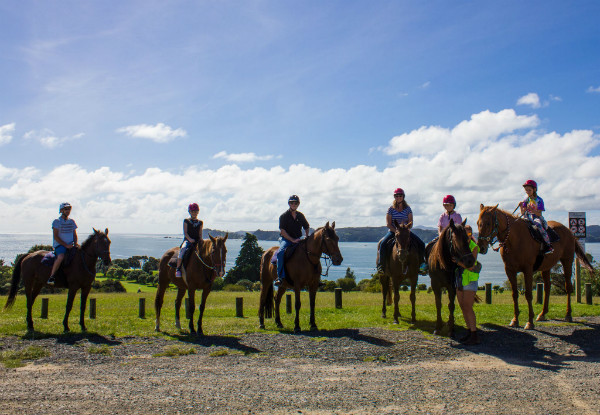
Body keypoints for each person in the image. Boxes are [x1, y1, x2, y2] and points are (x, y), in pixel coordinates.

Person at [377, 188, 426, 273]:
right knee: (383, 244)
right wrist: (396, 231)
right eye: (397, 196)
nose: (398, 197)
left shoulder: (408, 209)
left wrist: (405, 230)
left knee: (421, 243)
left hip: (405, 232)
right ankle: (381, 266)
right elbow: (388, 224)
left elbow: (411, 222)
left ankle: (421, 265)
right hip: (393, 231)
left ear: (403, 197)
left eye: (400, 195)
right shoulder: (391, 209)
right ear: (394, 197)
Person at [275, 195, 309, 286]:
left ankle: (315, 276)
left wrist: (306, 236)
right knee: (280, 253)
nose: (294, 204)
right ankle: (280, 277)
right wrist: (292, 240)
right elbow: (283, 231)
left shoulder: (301, 215)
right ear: (289, 204)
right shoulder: (283, 216)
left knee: (311, 251)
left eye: (296, 203)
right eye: (292, 202)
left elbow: (306, 227)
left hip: (299, 239)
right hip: (286, 239)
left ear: (298, 204)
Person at [456, 224, 481, 345]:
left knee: (467, 306)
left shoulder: (474, 247)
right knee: (463, 306)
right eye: (465, 234)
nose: (467, 236)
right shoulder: (460, 246)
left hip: (470, 279)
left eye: (470, 234)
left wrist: (457, 262)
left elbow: (471, 267)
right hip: (460, 279)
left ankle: (474, 334)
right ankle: (469, 331)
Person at [47, 202, 78, 286]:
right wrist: (66, 245)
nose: (68, 211)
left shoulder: (72, 222)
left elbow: (74, 234)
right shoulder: (56, 222)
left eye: (69, 209)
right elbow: (56, 236)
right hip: (60, 245)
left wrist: (75, 244)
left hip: (71, 245)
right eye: (66, 209)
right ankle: (52, 276)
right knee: (61, 257)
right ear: (61, 210)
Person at [520, 179, 553, 254]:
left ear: (534, 189)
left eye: (529, 190)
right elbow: (523, 213)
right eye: (526, 191)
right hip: (527, 217)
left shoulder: (539, 200)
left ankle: (548, 245)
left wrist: (532, 210)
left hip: (536, 218)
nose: (527, 192)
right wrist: (521, 207)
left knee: (538, 225)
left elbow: (539, 214)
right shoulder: (526, 200)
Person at [176, 203, 203, 278]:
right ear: (189, 212)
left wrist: (201, 240)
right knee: (183, 250)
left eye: (196, 211)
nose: (194, 213)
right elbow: (185, 233)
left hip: (197, 241)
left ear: (198, 212)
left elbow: (200, 233)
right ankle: (178, 269)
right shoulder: (186, 221)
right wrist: (190, 239)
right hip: (188, 241)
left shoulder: (200, 222)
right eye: (192, 211)